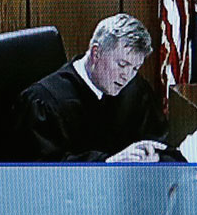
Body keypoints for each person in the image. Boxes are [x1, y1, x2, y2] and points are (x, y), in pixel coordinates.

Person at [12, 12, 168, 162]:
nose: (126, 76)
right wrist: (107, 163)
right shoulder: (43, 101)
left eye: (135, 68)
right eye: (122, 64)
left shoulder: (135, 90)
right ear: (96, 53)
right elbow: (41, 169)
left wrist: (154, 156)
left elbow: (160, 143)